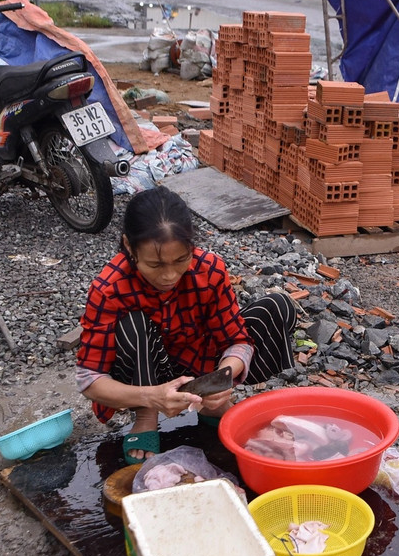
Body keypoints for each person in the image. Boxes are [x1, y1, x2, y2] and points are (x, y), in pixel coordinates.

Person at [76, 189, 297, 463]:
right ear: (129, 247)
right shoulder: (110, 288)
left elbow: (237, 340)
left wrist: (221, 379)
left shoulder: (210, 270)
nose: (169, 276)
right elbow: (89, 380)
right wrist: (153, 397)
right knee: (134, 324)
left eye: (181, 260)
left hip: (200, 365)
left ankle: (211, 405)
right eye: (155, 264)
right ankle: (146, 416)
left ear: (191, 246)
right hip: (144, 374)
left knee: (277, 307)